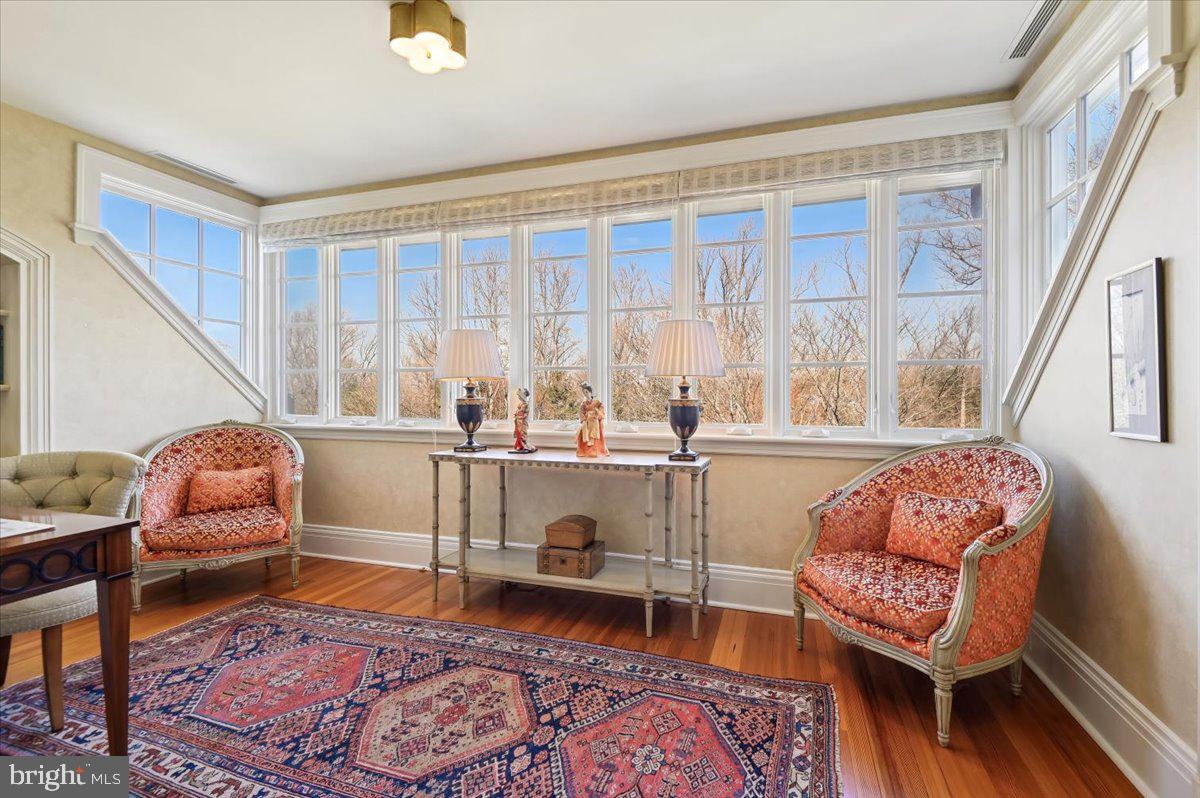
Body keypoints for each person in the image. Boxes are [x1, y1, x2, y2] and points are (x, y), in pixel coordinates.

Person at [575, 382, 609, 457]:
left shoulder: (597, 403)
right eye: (584, 392)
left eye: (586, 392)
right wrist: (583, 420)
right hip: (587, 420)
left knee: (594, 422)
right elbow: (581, 413)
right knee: (584, 426)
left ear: (591, 392)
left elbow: (601, 412)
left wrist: (597, 413)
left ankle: (592, 440)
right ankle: (583, 449)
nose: (585, 394)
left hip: (594, 420)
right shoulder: (583, 404)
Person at [510, 387, 537, 453]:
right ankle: (520, 446)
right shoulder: (520, 404)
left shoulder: (526, 405)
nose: (518, 397)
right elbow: (518, 412)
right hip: (518, 422)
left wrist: (519, 415)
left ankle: (526, 446)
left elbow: (524, 414)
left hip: (522, 423)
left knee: (522, 434)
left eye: (519, 396)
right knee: (519, 435)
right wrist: (516, 414)